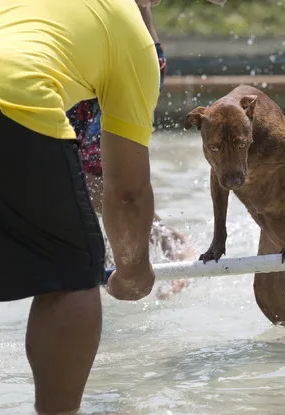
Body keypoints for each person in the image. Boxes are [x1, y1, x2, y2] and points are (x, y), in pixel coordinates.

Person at [0, 0, 164, 415]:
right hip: (9, 92)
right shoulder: (125, 26)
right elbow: (127, 191)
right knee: (68, 276)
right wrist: (134, 270)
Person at [66, 3, 195, 299]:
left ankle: (171, 245)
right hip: (76, 67)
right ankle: (116, 255)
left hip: (129, 59)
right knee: (68, 167)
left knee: (95, 174)